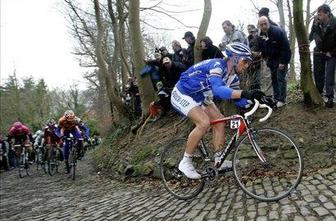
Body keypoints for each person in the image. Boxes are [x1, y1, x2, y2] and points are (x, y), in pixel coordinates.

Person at [170, 42, 265, 179]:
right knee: (204, 122)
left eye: (248, 63)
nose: (246, 66)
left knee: (219, 122)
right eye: (245, 62)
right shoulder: (217, 66)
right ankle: (185, 161)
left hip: (200, 96)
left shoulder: (233, 76)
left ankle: (218, 159)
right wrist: (246, 93)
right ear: (235, 58)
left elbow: (238, 98)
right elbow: (219, 90)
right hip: (182, 93)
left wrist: (258, 100)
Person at [258, 16, 291, 108]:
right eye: (262, 24)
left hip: (281, 59)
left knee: (280, 78)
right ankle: (276, 98)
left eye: (265, 23)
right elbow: (262, 49)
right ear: (259, 26)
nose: (264, 26)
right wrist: (266, 59)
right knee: (274, 79)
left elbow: (286, 48)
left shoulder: (277, 31)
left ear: (268, 22)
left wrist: (283, 62)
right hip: (271, 61)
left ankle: (282, 99)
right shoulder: (260, 36)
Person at [311, 4, 336, 108]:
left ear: (327, 14)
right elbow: (311, 34)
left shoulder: (335, 24)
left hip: (332, 52)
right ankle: (319, 93)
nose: (318, 16)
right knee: (318, 73)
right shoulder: (316, 22)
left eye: (320, 14)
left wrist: (332, 52)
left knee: (329, 74)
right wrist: (306, 42)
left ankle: (330, 97)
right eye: (318, 14)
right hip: (319, 51)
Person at [247, 24, 262, 90]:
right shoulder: (248, 38)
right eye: (248, 30)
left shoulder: (259, 36)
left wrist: (258, 54)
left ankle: (258, 93)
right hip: (250, 62)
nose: (249, 31)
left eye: (250, 29)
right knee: (251, 80)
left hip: (258, 61)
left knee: (257, 80)